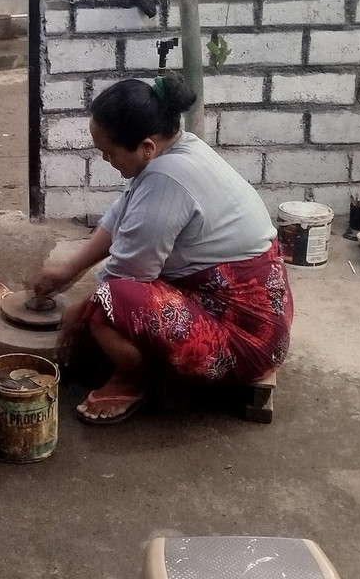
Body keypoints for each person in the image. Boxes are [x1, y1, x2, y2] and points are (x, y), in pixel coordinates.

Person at [31, 74, 293, 425]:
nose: (106, 160)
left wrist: (81, 309)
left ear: (147, 147)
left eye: (109, 152)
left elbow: (127, 274)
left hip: (244, 339)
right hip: (236, 308)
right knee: (103, 302)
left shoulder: (168, 176)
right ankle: (136, 361)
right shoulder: (179, 149)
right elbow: (122, 215)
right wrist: (67, 271)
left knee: (104, 304)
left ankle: (136, 380)